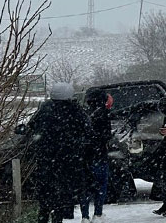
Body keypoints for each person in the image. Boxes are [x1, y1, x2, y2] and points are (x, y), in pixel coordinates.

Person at [25, 82, 90, 223]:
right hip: (68, 161)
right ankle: (58, 215)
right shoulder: (75, 110)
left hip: (46, 159)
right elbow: (87, 130)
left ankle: (44, 215)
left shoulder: (45, 109)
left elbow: (31, 127)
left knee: (45, 197)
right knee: (63, 196)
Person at [80, 89, 114, 223]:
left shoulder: (84, 113)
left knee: (85, 187)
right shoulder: (104, 114)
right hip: (100, 154)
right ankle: (98, 214)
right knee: (101, 185)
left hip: (85, 156)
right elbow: (106, 135)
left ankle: (84, 216)